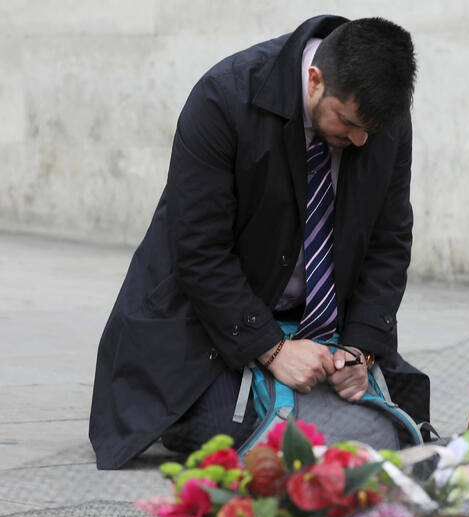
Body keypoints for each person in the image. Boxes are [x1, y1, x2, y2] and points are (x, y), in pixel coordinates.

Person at [89, 15, 428, 469]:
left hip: (327, 326)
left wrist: (359, 348)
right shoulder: (224, 98)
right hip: (210, 319)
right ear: (314, 80)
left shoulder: (381, 122)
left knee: (386, 427)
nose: (359, 139)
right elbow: (199, 249)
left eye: (371, 130)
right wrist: (272, 348)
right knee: (232, 432)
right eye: (347, 122)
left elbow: (390, 243)